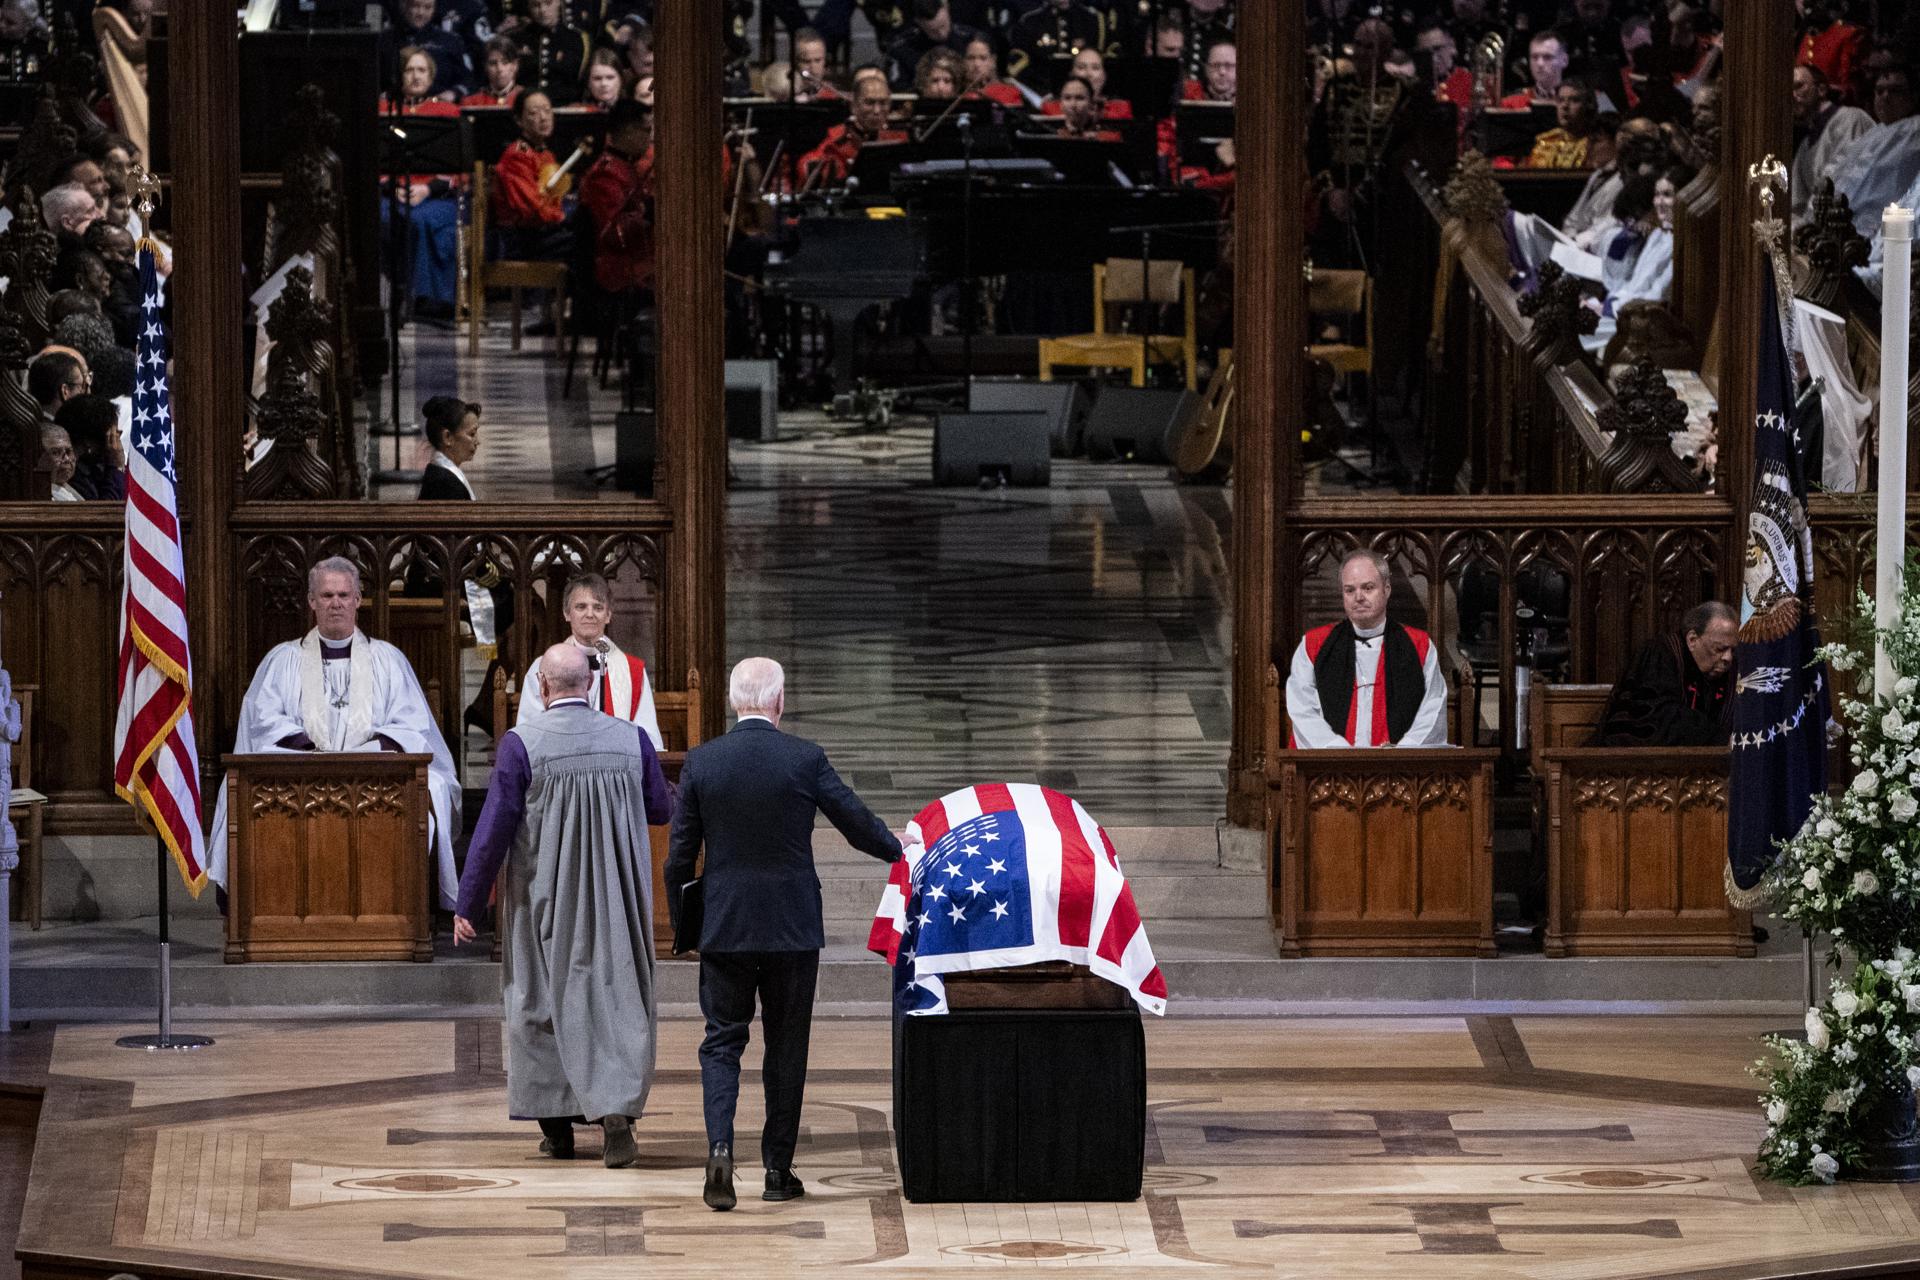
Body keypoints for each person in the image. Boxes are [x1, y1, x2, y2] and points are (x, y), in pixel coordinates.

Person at [665, 657, 902, 1211]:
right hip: (792, 927)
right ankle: (778, 1170)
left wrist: (688, 927)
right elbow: (855, 823)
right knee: (786, 1046)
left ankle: (720, 1149)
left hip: (725, 924)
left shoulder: (703, 762)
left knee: (722, 1042)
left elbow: (678, 859)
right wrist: (902, 851)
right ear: (779, 701)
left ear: (731, 700)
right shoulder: (803, 758)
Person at [452, 643, 671, 1168]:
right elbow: (661, 808)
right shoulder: (631, 739)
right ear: (590, 685)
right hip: (616, 897)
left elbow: (494, 829)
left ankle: (558, 1131)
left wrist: (468, 902)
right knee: (615, 998)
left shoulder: (520, 744)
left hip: (543, 895)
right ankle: (616, 1117)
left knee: (540, 999)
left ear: (544, 688)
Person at [206, 557, 463, 909]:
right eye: (326, 595)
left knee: (430, 786)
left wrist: (366, 750)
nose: (336, 603)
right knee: (237, 787)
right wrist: (310, 746)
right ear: (311, 601)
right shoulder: (283, 660)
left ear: (359, 599)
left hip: (375, 776)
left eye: (344, 595)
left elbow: (412, 726)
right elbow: (261, 721)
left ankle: (397, 908)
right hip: (299, 772)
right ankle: (271, 908)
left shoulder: (387, 660)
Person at [1285, 550, 1448, 748]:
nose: (1358, 597)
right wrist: (1338, 750)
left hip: (1400, 770)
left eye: (1368, 588)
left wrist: (1404, 751)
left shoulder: (1418, 645)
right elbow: (1302, 709)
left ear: (1387, 590)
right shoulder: (1314, 645)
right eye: (1350, 590)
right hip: (1330, 769)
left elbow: (1433, 708)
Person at [517, 572, 661, 747]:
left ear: (608, 615)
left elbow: (648, 741)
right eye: (581, 607)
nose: (590, 614)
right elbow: (530, 735)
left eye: (598, 608)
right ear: (567, 613)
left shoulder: (633, 671)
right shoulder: (543, 667)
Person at [382, 48, 464, 318]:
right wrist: (392, 187)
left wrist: (428, 188)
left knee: (422, 220)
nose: (415, 76)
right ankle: (387, 297)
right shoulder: (384, 110)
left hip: (436, 195)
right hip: (391, 192)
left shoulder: (448, 112)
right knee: (385, 219)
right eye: (409, 70)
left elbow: (463, 167)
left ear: (431, 76)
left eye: (421, 70)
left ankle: (430, 300)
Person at [1590, 601, 1735, 746]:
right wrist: (1718, 737)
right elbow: (1657, 719)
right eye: (1719, 649)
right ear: (1692, 640)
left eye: (1732, 650)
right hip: (1633, 763)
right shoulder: (1659, 655)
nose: (1728, 658)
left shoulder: (1732, 672)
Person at [579, 97, 656, 294]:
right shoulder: (605, 174)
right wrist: (648, 213)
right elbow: (613, 234)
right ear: (629, 131)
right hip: (619, 269)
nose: (651, 137)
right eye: (646, 131)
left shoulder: (627, 167)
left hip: (640, 261)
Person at [1791, 62, 1873, 221]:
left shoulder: (1850, 119)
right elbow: (1797, 201)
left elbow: (1841, 185)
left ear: (1821, 90)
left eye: (1799, 86)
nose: (1793, 95)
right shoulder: (1806, 144)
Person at [799, 76, 903, 188]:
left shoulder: (899, 139)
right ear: (853, 106)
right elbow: (807, 166)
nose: (877, 111)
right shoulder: (835, 141)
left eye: (883, 103)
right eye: (869, 103)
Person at [380, 0, 471, 100]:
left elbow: (468, 79)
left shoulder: (450, 41)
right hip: (394, 106)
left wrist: (454, 93)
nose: (421, 13)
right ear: (403, 6)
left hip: (440, 106)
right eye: (415, 6)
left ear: (434, 9)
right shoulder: (383, 40)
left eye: (427, 7)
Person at [885, 0, 979, 92]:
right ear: (919, 23)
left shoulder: (970, 40)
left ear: (946, 9)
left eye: (943, 26)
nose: (942, 34)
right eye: (933, 31)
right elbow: (899, 89)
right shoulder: (902, 49)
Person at [515, 0, 590, 105]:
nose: (542, 10)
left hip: (566, 109)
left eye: (548, 3)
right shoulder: (516, 39)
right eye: (536, 5)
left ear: (558, 2)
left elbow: (583, 82)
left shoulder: (578, 40)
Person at [54, 393, 124, 500]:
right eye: (111, 436)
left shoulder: (93, 468)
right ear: (89, 442)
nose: (116, 442)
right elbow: (105, 512)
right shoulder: (68, 473)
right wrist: (116, 467)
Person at [1525, 78, 1604, 168]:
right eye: (1561, 100)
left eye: (1574, 100)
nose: (1565, 106)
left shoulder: (1598, 144)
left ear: (1588, 106)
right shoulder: (1546, 142)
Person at [1041, 46, 1132, 120]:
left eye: (1095, 68)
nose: (1088, 74)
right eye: (1081, 67)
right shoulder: (1052, 109)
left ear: (1104, 76)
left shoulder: (1120, 109)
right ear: (1072, 74)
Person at [1500, 30, 1568, 109]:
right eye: (1534, 57)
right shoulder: (1511, 104)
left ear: (1564, 60)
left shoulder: (1578, 102)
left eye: (1547, 57)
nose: (1540, 63)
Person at [462, 34, 525, 107]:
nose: (499, 69)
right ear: (485, 67)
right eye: (493, 63)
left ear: (515, 65)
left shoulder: (527, 99)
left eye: (505, 62)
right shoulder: (471, 102)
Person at [961, 35, 1023, 107]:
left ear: (993, 61)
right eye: (970, 58)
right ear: (963, 61)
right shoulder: (953, 90)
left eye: (983, 58)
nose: (976, 64)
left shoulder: (1009, 93)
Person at [38, 424, 81, 501]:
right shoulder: (39, 495)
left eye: (68, 451)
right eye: (56, 453)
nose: (67, 459)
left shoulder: (67, 488)